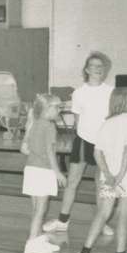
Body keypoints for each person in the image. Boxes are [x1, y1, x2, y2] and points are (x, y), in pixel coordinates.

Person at [45, 51, 115, 234]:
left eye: (100, 66)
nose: (97, 69)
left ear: (105, 69)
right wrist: (79, 139)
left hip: (105, 143)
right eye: (93, 66)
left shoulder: (111, 92)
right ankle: (63, 221)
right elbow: (77, 120)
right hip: (84, 142)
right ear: (86, 69)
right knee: (72, 181)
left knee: (101, 184)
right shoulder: (79, 93)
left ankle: (102, 222)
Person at [74, 87, 127, 253]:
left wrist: (107, 174)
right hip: (126, 176)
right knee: (124, 214)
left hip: (108, 176)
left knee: (103, 213)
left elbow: (97, 153)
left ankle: (84, 252)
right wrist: (120, 175)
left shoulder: (107, 123)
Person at [21, 94, 67, 253]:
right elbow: (49, 152)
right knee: (41, 209)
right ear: (47, 109)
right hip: (43, 170)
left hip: (31, 169)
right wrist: (57, 172)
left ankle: (39, 239)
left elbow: (26, 148)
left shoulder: (34, 124)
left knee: (36, 208)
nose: (60, 110)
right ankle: (32, 242)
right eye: (57, 107)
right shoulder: (49, 126)